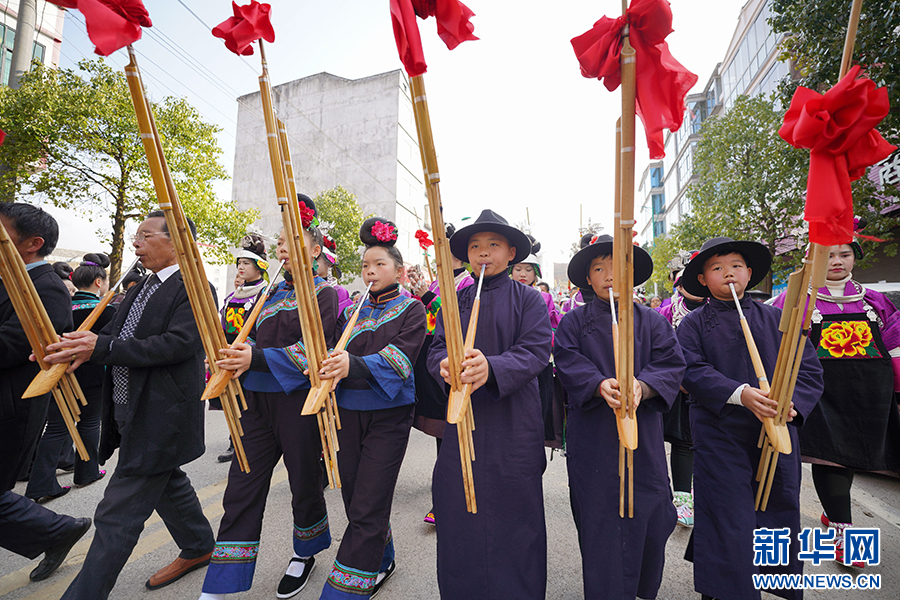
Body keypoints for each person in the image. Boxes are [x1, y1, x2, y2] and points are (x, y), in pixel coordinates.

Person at [45, 211, 216, 600]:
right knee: (166, 479)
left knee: (115, 514)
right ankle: (199, 544)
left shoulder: (195, 287)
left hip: (162, 413)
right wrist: (76, 346)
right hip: (127, 407)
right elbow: (112, 332)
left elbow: (178, 344)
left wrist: (101, 348)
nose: (136, 243)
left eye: (145, 235)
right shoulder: (142, 283)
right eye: (135, 235)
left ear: (176, 244)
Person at [197, 194, 337, 600]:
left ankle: (305, 553)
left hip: (298, 403)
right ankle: (222, 581)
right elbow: (247, 340)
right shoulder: (267, 294)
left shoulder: (326, 294)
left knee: (304, 482)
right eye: (278, 244)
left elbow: (314, 352)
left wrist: (254, 356)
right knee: (242, 484)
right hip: (253, 404)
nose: (281, 250)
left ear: (314, 251)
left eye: (290, 243)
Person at [677, 237, 823, 600]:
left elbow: (807, 371)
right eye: (717, 268)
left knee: (779, 505)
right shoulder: (692, 325)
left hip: (775, 430)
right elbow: (689, 370)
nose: (728, 273)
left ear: (750, 273)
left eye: (736, 265)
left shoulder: (778, 319)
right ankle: (726, 589)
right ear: (702, 280)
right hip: (719, 432)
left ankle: (772, 581)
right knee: (727, 510)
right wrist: (740, 394)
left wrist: (792, 405)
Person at [428, 209, 551, 600]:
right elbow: (435, 350)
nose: (484, 253)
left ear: (512, 252)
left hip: (514, 425)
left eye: (493, 245)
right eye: (476, 246)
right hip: (462, 424)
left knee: (516, 516)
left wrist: (492, 367)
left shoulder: (530, 300)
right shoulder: (453, 301)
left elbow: (535, 352)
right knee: (459, 512)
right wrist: (444, 365)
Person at [555, 234, 685, 600]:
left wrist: (644, 387)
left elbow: (672, 363)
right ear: (588, 278)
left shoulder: (654, 322)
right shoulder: (573, 322)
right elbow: (565, 361)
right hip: (593, 434)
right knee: (599, 515)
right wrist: (597, 384)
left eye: (618, 266)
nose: (609, 274)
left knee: (653, 508)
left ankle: (643, 587)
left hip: (642, 431)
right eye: (599, 268)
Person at [772, 229, 900, 566]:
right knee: (832, 458)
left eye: (844, 254)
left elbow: (893, 343)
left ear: (855, 257)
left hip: (870, 395)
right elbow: (780, 347)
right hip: (821, 393)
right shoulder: (796, 298)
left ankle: (834, 513)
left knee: (855, 455)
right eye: (828, 255)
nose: (837, 262)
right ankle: (844, 531)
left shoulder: (874, 300)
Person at [316, 217, 426, 599]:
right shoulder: (350, 311)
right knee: (354, 495)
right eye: (365, 265)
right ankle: (383, 558)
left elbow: (402, 359)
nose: (371, 271)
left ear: (398, 269)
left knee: (369, 499)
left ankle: (347, 587)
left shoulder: (412, 310)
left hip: (389, 414)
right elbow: (326, 349)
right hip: (346, 411)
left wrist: (355, 365)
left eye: (379, 264)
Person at [0, 202, 92, 583]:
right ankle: (55, 530)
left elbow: (13, 345)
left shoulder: (47, 288)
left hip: (11, 406)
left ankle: (56, 530)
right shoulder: (9, 278)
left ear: (31, 243)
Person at [26, 253, 114, 503]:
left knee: (55, 427)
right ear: (99, 282)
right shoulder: (105, 310)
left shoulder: (62, 303)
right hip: (94, 376)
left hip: (59, 374)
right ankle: (87, 471)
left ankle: (40, 483)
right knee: (89, 424)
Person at [408, 223, 474, 525]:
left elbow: (453, 319)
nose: (438, 256)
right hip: (433, 360)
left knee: (456, 431)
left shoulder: (466, 284)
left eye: (443, 251)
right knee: (441, 431)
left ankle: (455, 495)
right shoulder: (438, 283)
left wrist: (426, 297)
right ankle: (445, 494)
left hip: (457, 363)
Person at [656, 249, 703, 527]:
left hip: (714, 388)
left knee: (709, 441)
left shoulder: (721, 308)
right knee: (684, 442)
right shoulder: (665, 313)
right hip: (679, 388)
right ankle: (682, 497)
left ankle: (702, 491)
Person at [214, 233, 270, 464]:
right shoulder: (233, 295)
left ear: (260, 266)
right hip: (230, 352)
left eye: (246, 263)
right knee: (232, 399)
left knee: (249, 401)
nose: (241, 268)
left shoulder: (266, 294)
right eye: (239, 264)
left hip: (250, 355)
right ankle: (233, 440)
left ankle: (248, 441)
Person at [509, 242, 563, 447]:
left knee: (537, 406)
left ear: (536, 274)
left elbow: (552, 326)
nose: (523, 273)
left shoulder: (546, 297)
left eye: (528, 269)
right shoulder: (505, 293)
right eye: (518, 268)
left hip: (537, 359)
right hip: (508, 356)